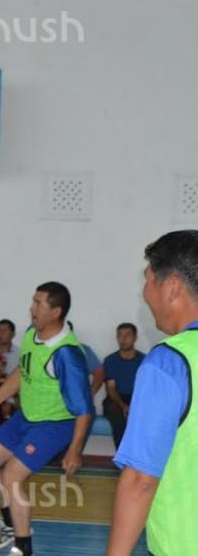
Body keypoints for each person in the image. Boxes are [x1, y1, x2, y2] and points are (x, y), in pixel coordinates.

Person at [0, 282, 93, 556]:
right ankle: (10, 524)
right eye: (32, 301)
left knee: (12, 475)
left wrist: (75, 449)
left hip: (54, 425)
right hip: (26, 417)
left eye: (38, 303)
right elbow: (21, 374)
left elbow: (85, 409)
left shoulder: (66, 354)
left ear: (56, 312)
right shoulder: (30, 334)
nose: (31, 308)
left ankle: (23, 548)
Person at [107, 231, 198, 556]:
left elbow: (140, 480)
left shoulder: (169, 362)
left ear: (171, 286)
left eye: (147, 280)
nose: (144, 292)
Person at [101, 322, 145, 449]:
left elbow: (146, 388)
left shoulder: (144, 360)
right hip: (116, 399)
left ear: (135, 338)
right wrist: (123, 405)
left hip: (137, 398)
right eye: (120, 335)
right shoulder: (110, 360)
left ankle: (141, 456)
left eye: (127, 335)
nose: (123, 339)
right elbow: (110, 388)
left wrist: (135, 405)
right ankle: (122, 455)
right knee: (116, 413)